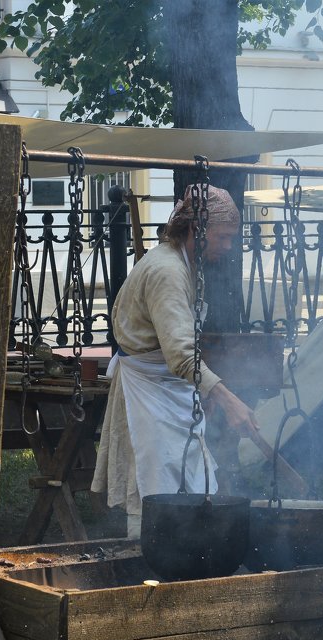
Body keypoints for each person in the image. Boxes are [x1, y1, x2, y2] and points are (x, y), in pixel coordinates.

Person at [93, 185, 259, 538]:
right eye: (224, 237)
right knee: (157, 488)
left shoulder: (184, 264)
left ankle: (191, 558)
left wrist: (203, 394)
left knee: (193, 479)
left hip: (168, 388)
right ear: (197, 230)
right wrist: (225, 399)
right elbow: (181, 353)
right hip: (149, 394)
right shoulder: (167, 271)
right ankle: (147, 566)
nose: (229, 247)